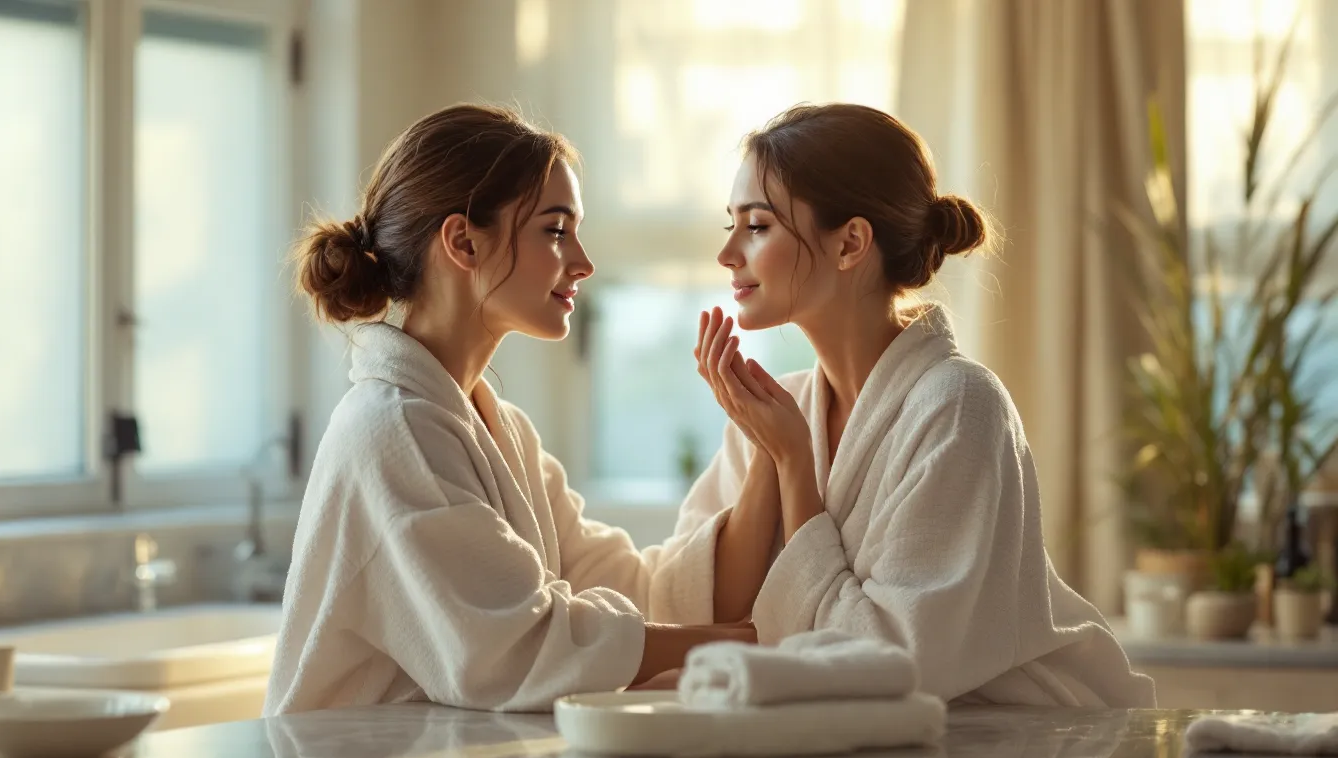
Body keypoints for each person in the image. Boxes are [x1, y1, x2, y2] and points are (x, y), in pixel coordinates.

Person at [265, 104, 752, 716]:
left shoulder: (495, 430)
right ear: (464, 242)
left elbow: (625, 587)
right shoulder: (396, 430)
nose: (583, 261)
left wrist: (778, 453)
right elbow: (515, 650)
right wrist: (744, 647)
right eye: (555, 230)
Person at [677, 103, 1155, 707]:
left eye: (758, 225)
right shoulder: (780, 407)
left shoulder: (959, 406)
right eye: (732, 224)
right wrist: (772, 456)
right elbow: (711, 614)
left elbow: (890, 664)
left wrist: (796, 462)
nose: (728, 255)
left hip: (1017, 740)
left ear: (850, 242)